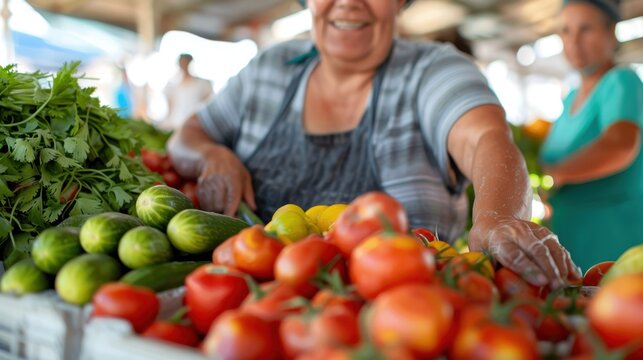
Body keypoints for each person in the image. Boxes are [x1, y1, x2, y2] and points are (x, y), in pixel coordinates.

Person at [168, 0, 581, 289]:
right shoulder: (268, 70)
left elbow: (485, 138)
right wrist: (213, 154)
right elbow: (187, 135)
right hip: (261, 313)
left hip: (404, 318)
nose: (349, 2)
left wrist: (496, 216)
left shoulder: (433, 68)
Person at [540, 0, 643, 272]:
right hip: (572, 243)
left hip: (611, 244)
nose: (574, 41)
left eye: (586, 29)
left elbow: (620, 144)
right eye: (565, 30)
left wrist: (555, 175)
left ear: (611, 33)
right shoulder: (572, 97)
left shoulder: (621, 81)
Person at [159, 53, 213, 131]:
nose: (183, 65)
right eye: (181, 62)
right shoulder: (174, 85)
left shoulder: (202, 84)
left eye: (185, 62)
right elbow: (171, 106)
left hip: (195, 126)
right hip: (176, 124)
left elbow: (208, 103)